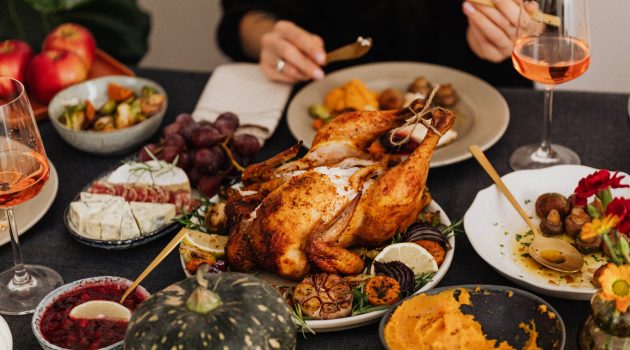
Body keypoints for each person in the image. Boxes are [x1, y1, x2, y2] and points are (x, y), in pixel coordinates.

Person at [218, 0, 531, 87]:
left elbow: (542, 16)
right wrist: (270, 38)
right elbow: (244, 15)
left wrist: (515, 23)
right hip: (317, 103)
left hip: (484, 94)